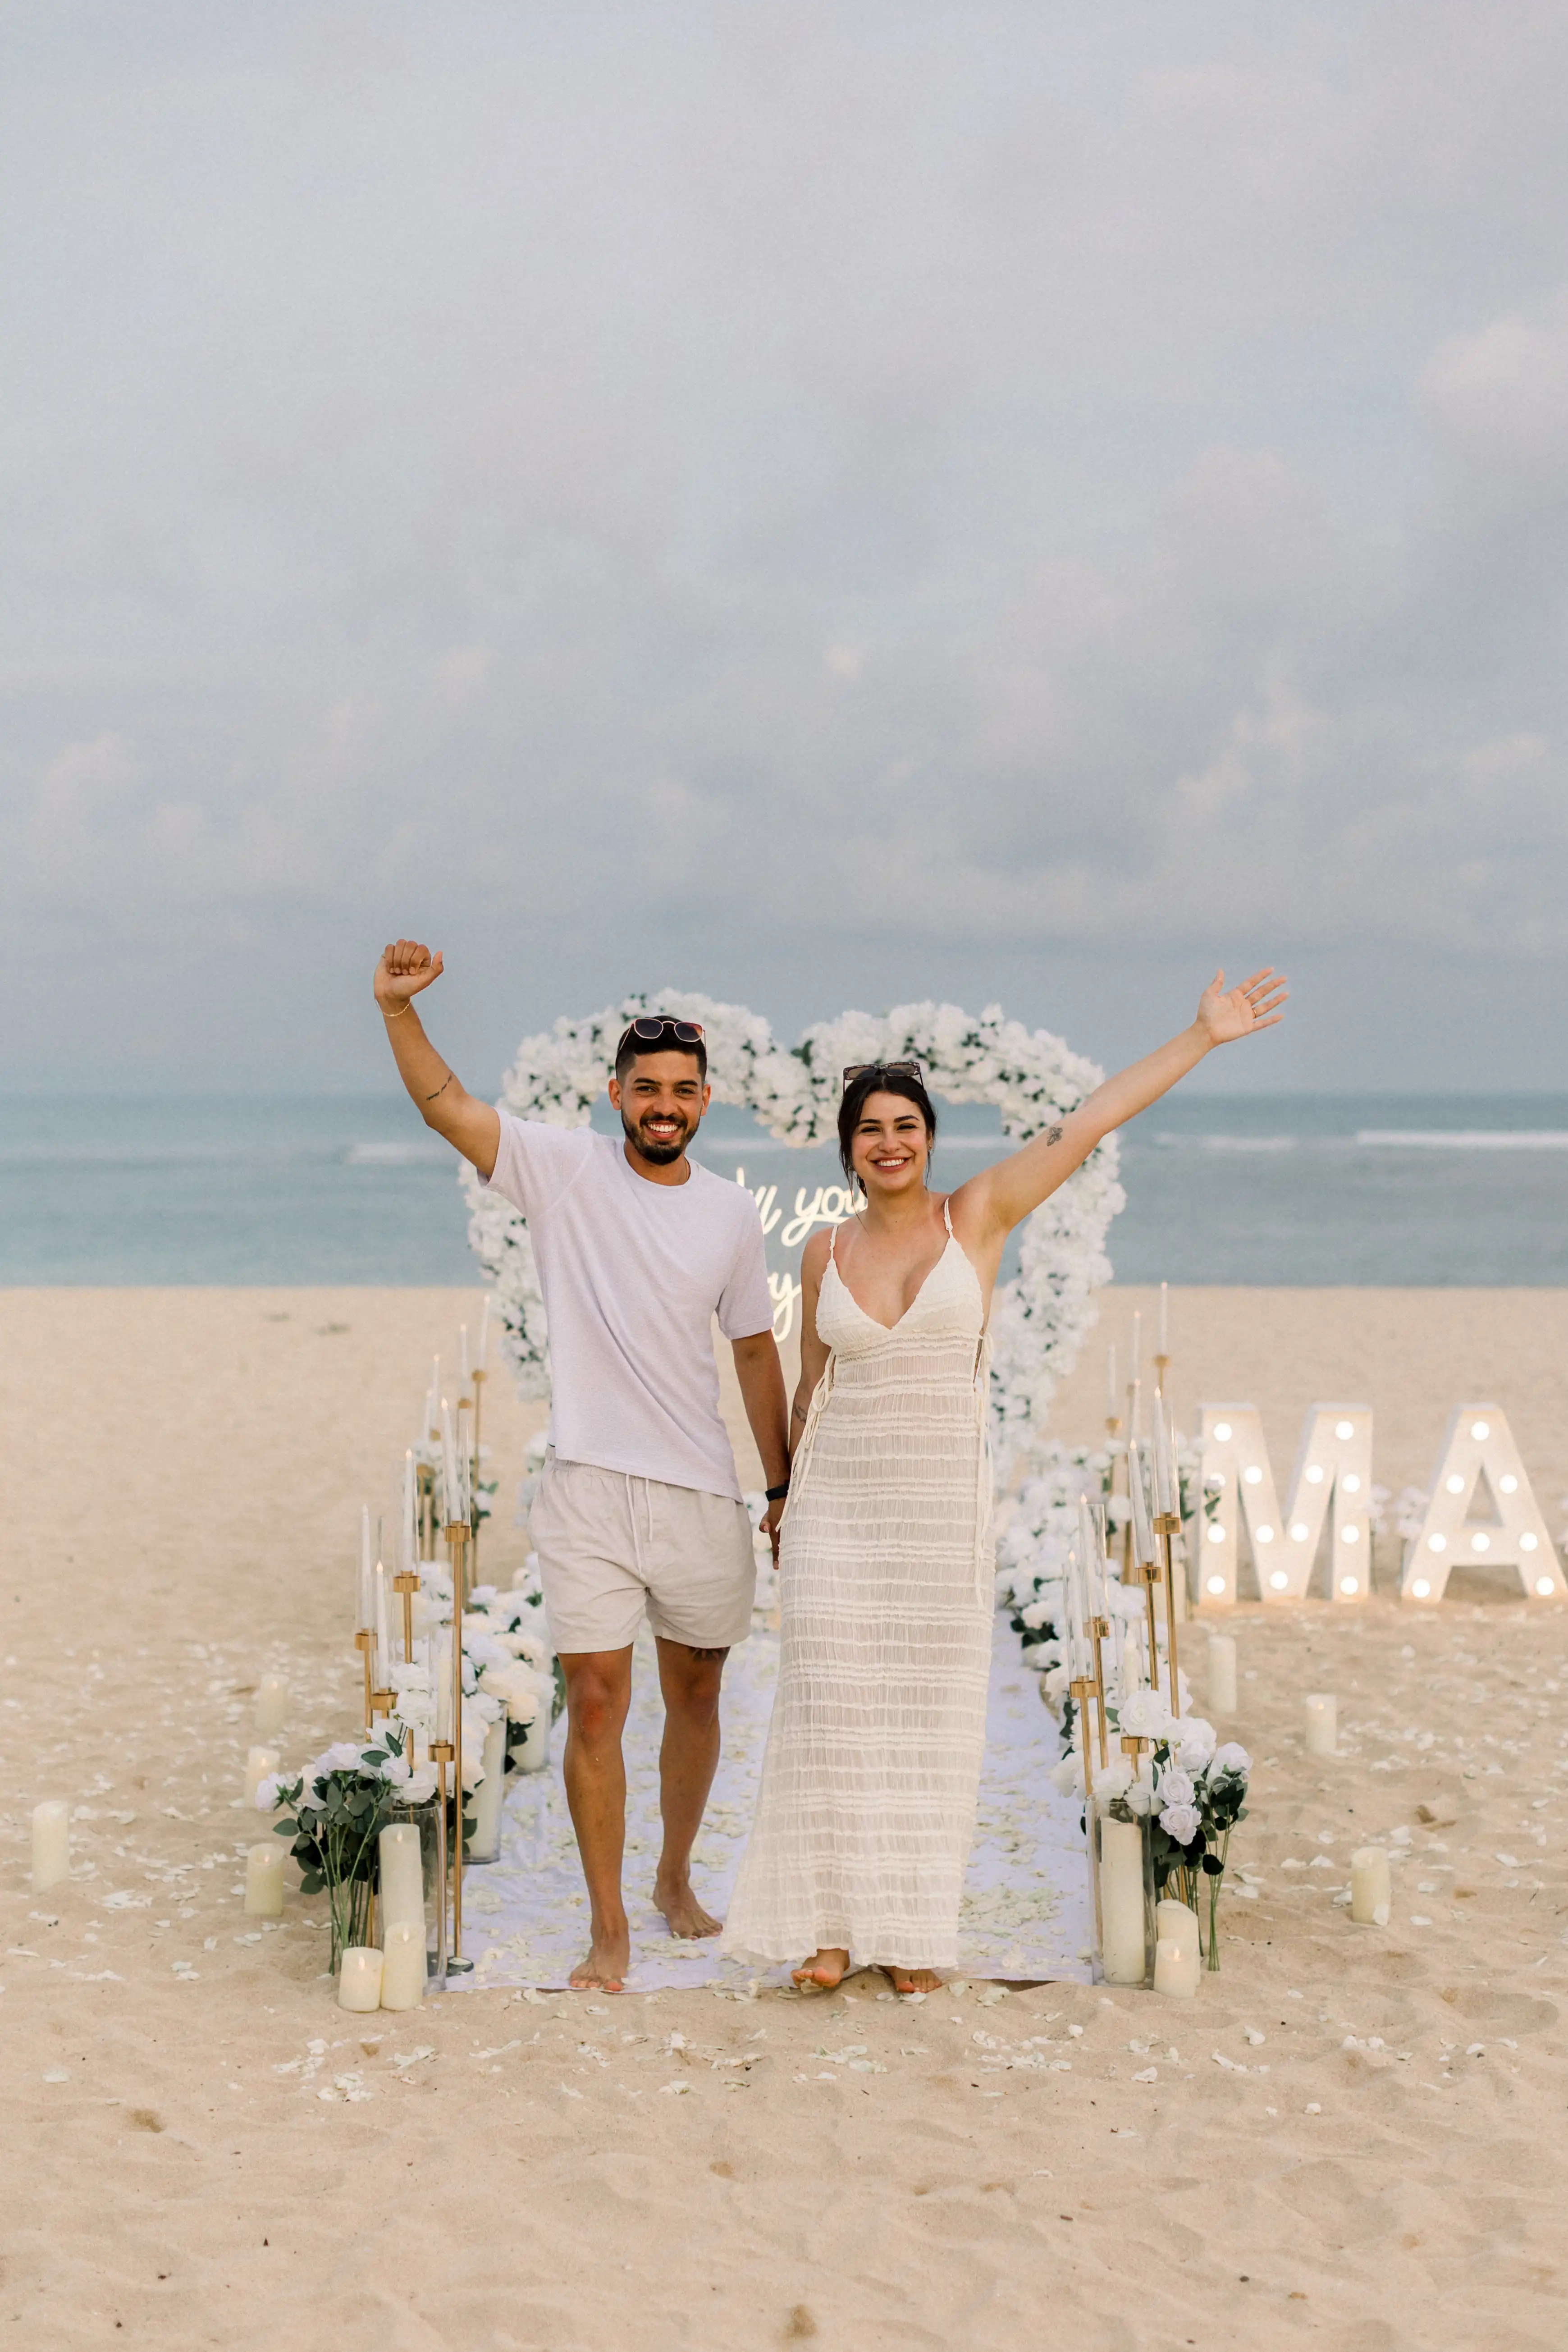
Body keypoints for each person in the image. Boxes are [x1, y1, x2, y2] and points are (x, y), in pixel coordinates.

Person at [720, 967, 1287, 1995]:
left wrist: (1199, 1034)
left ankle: (908, 1931)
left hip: (936, 1514)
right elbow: (812, 1384)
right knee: (828, 1713)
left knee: (927, 1716)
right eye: (867, 1129)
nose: (887, 1141)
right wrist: (781, 1496)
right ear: (845, 1150)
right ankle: (831, 1932)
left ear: (929, 1137)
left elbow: (1084, 1123)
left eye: (904, 1124)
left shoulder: (975, 1217)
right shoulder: (819, 1252)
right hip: (833, 1512)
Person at [373, 941, 791, 1991]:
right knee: (597, 1703)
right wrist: (395, 1010)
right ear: (615, 1092)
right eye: (644, 1088)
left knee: (695, 1695)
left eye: (680, 1091)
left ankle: (673, 1876)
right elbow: (446, 1106)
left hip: (698, 1489)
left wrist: (780, 1483)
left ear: (704, 1100)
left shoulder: (731, 1214)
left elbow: (751, 1349)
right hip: (588, 1487)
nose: (662, 1105)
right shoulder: (561, 1170)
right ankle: (609, 1926)